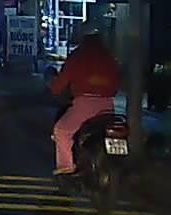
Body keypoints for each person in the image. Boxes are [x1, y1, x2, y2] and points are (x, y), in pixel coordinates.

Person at [48, 22, 121, 175]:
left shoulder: (78, 56)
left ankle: (66, 168)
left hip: (84, 106)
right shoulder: (108, 56)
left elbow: (60, 83)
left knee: (61, 131)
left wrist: (54, 88)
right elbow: (117, 82)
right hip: (108, 106)